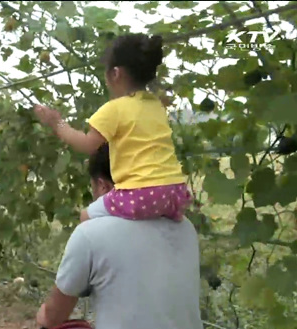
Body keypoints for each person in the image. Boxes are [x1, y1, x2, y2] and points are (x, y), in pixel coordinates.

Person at [36, 144, 209, 329]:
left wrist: (43, 315)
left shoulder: (90, 235)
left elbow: (54, 316)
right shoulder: (185, 228)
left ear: (102, 185)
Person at [34, 34, 191, 224]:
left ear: (115, 74)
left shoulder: (115, 109)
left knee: (86, 216)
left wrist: (57, 123)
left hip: (143, 192)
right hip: (176, 192)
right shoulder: (155, 105)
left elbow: (87, 145)